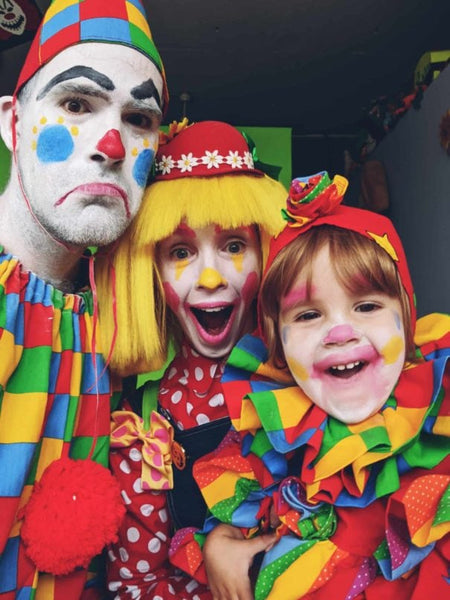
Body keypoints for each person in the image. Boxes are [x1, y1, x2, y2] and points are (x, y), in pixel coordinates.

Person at [192, 171, 449, 600]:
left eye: (366, 306)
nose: (340, 332)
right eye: (309, 315)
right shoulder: (275, 434)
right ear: (277, 346)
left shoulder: (439, 421)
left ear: (406, 322)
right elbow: (241, 510)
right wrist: (219, 543)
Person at [0, 0, 167, 596]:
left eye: (140, 118)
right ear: (13, 124)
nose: (113, 146)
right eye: (76, 104)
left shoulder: (120, 316)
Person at [94, 120, 287, 598]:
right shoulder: (143, 420)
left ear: (269, 254)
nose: (208, 278)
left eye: (234, 246)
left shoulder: (314, 378)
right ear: (150, 272)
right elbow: (135, 584)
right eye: (181, 252)